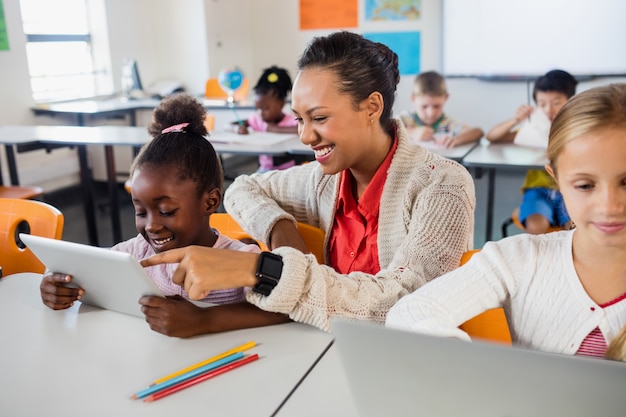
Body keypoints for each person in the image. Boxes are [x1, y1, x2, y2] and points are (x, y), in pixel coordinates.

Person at [141, 31, 476, 332]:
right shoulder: (324, 181)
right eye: (300, 119)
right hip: (327, 346)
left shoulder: (442, 185)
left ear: (372, 107)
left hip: (403, 361)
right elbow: (244, 187)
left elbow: (402, 301)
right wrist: (281, 229)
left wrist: (263, 269)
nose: (304, 136)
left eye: (319, 118)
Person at [386, 84, 626, 359]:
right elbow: (410, 312)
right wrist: (487, 375)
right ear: (556, 178)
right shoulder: (521, 259)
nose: (610, 206)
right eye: (585, 185)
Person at [39, 93, 289, 338]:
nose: (151, 226)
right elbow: (88, 267)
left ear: (210, 202)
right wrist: (58, 282)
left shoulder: (239, 259)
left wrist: (202, 320)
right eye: (140, 211)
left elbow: (284, 307)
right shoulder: (138, 253)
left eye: (166, 211)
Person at [486, 69, 578, 234]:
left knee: (573, 227)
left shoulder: (578, 128)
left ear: (571, 101)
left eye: (556, 102)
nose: (549, 110)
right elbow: (493, 137)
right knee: (536, 226)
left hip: (571, 189)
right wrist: (517, 119)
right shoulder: (534, 130)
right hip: (538, 190)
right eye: (542, 104)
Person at [234, 66, 308, 173]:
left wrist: (274, 129)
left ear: (281, 103)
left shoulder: (290, 120)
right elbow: (231, 124)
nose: (260, 112)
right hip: (265, 170)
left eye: (265, 108)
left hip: (289, 170)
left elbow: (302, 128)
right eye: (258, 108)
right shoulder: (257, 119)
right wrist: (237, 128)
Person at [399, 71, 483, 148]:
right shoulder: (405, 118)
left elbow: (478, 132)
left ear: (446, 98)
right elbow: (387, 131)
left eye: (436, 106)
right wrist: (411, 133)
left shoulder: (447, 123)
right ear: (413, 99)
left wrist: (457, 139)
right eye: (424, 106)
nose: (431, 113)